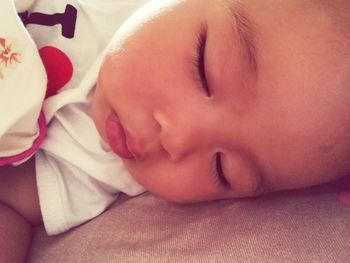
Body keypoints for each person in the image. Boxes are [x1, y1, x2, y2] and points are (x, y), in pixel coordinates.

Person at [1, 0, 350, 261]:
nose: (178, 138)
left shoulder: (95, 169)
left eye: (223, 170)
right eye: (203, 68)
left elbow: (9, 206)